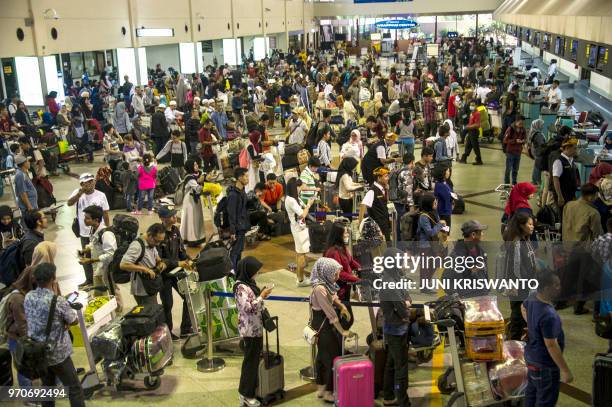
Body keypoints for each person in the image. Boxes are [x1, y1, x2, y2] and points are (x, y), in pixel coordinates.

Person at [24, 263, 86, 407]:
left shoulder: (28, 297)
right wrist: (65, 322)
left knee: (47, 389)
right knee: (74, 388)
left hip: (38, 353)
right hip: (58, 354)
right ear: (53, 278)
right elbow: (74, 320)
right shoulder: (58, 301)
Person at [522, 272, 573, 407]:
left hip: (531, 358)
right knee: (545, 400)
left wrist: (532, 325)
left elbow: (523, 307)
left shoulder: (533, 297)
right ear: (545, 288)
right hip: (545, 366)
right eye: (555, 285)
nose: (559, 287)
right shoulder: (549, 315)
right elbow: (551, 345)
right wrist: (565, 371)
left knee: (531, 395)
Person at [308, 258, 354, 403]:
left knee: (322, 356)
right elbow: (330, 313)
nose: (337, 277)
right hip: (323, 326)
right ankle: (328, 391)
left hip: (321, 324)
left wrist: (342, 306)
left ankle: (321, 388)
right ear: (326, 272)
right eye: (335, 274)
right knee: (332, 357)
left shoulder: (323, 284)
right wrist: (342, 331)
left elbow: (333, 297)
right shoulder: (319, 289)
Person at [234, 256, 272, 407]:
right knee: (250, 363)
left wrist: (261, 295)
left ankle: (249, 391)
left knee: (254, 361)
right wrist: (261, 297)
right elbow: (248, 308)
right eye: (255, 271)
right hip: (250, 331)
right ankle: (245, 394)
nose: (256, 274)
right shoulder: (240, 287)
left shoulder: (249, 283)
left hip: (256, 328)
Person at [561, 183, 604, 314]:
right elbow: (598, 235)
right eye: (597, 195)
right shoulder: (593, 213)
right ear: (591, 196)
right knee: (583, 279)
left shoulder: (569, 205)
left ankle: (560, 301)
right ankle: (579, 307)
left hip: (568, 245)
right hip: (584, 250)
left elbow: (564, 223)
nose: (597, 198)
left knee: (568, 276)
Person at [380, 247, 411, 407]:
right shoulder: (389, 283)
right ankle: (402, 401)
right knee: (400, 368)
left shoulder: (394, 277)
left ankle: (389, 396)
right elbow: (403, 309)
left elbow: (407, 298)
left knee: (392, 364)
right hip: (396, 331)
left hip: (395, 329)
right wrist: (405, 306)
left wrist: (406, 303)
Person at [67, 173, 110, 290]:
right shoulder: (78, 193)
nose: (88, 185)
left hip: (98, 232)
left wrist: (108, 228)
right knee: (85, 257)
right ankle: (89, 280)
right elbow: (69, 203)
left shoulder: (101, 195)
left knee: (99, 256)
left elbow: (105, 213)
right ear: (81, 184)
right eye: (84, 183)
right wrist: (79, 193)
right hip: (84, 232)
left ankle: (100, 280)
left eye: (90, 182)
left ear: (94, 182)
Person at [157, 207, 193, 340]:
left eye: (174, 215)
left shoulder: (176, 230)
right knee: (168, 304)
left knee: (188, 297)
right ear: (162, 218)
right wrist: (177, 263)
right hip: (165, 276)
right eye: (171, 216)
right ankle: (168, 333)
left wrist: (187, 259)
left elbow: (180, 250)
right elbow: (160, 259)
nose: (174, 217)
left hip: (178, 272)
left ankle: (185, 328)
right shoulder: (159, 234)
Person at [503, 212, 537, 340]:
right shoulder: (517, 243)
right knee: (518, 314)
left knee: (522, 314)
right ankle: (514, 342)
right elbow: (517, 269)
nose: (532, 227)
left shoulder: (525, 239)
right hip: (519, 286)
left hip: (525, 284)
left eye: (532, 224)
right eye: (529, 224)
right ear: (521, 226)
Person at [80, 205, 122, 308]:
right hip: (98, 268)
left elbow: (111, 254)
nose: (85, 220)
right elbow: (94, 243)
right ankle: (103, 311)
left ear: (96, 220)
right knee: (99, 291)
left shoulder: (106, 234)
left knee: (112, 291)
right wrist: (86, 249)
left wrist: (91, 260)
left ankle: (118, 311)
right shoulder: (93, 229)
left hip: (107, 269)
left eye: (87, 218)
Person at [120, 223, 167, 305]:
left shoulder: (150, 243)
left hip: (150, 285)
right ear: (149, 235)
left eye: (160, 241)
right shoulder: (136, 246)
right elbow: (123, 264)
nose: (158, 244)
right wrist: (145, 269)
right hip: (142, 290)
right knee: (149, 313)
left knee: (153, 311)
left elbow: (157, 257)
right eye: (156, 241)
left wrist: (161, 263)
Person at [442, 220, 489, 298]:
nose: (483, 234)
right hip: (467, 299)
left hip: (481, 298)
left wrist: (486, 290)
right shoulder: (457, 256)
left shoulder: (481, 252)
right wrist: (456, 295)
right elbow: (446, 279)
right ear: (473, 234)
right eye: (480, 232)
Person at [285, 178, 315, 286]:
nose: (300, 190)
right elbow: (302, 214)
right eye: (299, 188)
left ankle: (300, 278)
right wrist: (309, 205)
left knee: (299, 254)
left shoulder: (292, 198)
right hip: (299, 229)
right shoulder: (291, 200)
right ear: (294, 187)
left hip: (298, 228)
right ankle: (301, 280)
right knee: (301, 254)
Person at [323, 221, 361, 303]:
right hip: (338, 292)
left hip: (345, 287)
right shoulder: (333, 252)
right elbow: (340, 273)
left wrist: (361, 268)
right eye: (345, 233)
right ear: (338, 235)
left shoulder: (342, 246)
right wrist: (357, 279)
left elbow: (350, 261)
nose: (347, 235)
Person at [359, 167, 392, 242]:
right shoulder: (372, 191)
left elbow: (385, 203)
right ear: (379, 178)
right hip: (377, 227)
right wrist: (360, 225)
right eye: (386, 176)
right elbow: (363, 205)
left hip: (384, 224)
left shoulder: (383, 189)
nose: (388, 178)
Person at [227, 168, 250, 271]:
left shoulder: (242, 191)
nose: (247, 178)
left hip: (242, 225)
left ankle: (236, 273)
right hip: (237, 228)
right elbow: (231, 214)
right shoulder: (233, 195)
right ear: (240, 177)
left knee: (239, 251)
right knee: (235, 252)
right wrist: (232, 231)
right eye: (246, 176)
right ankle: (232, 274)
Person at [180, 159, 207, 246]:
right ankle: (191, 239)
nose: (197, 166)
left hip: (196, 200)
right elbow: (198, 189)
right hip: (189, 201)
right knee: (190, 220)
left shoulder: (198, 174)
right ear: (190, 167)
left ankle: (198, 237)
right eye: (194, 165)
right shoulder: (189, 177)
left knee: (197, 219)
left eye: (196, 164)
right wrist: (205, 183)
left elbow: (201, 179)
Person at [551, 137, 579, 211]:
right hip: (563, 195)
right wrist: (560, 196)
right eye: (574, 148)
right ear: (567, 148)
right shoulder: (558, 161)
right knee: (562, 215)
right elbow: (555, 179)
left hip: (570, 194)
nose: (576, 151)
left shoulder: (571, 160)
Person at [503, 115, 527, 185]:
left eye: (522, 123)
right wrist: (515, 141)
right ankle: (506, 184)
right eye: (520, 123)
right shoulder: (510, 129)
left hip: (518, 152)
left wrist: (523, 141)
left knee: (515, 169)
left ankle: (514, 183)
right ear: (516, 122)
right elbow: (505, 140)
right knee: (508, 169)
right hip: (510, 152)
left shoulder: (523, 129)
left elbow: (525, 138)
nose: (521, 125)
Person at [459, 100, 484, 165]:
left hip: (474, 132)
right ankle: (463, 158)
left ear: (476, 106)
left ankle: (479, 160)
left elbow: (477, 125)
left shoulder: (477, 113)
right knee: (468, 145)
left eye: (473, 105)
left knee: (475, 146)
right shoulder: (472, 113)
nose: (471, 106)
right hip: (470, 131)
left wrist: (468, 127)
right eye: (471, 105)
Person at [527, 119, 546, 186]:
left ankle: (534, 180)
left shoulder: (533, 132)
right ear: (537, 125)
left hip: (535, 152)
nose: (543, 126)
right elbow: (542, 144)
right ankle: (537, 181)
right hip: (539, 153)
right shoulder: (538, 135)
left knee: (536, 166)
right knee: (538, 167)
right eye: (541, 125)